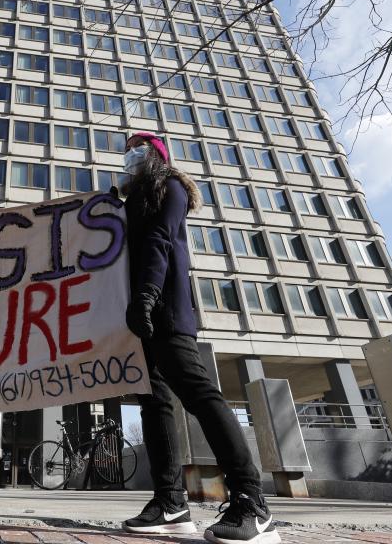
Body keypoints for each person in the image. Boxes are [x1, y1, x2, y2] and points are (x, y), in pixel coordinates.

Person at [118, 133, 279, 544]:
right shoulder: (128, 200)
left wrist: (148, 295)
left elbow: (160, 241)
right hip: (138, 313)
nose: (131, 154)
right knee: (153, 405)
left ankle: (252, 503)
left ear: (157, 156)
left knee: (200, 394)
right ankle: (170, 503)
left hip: (166, 309)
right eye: (127, 149)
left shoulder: (169, 188)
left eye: (140, 148)